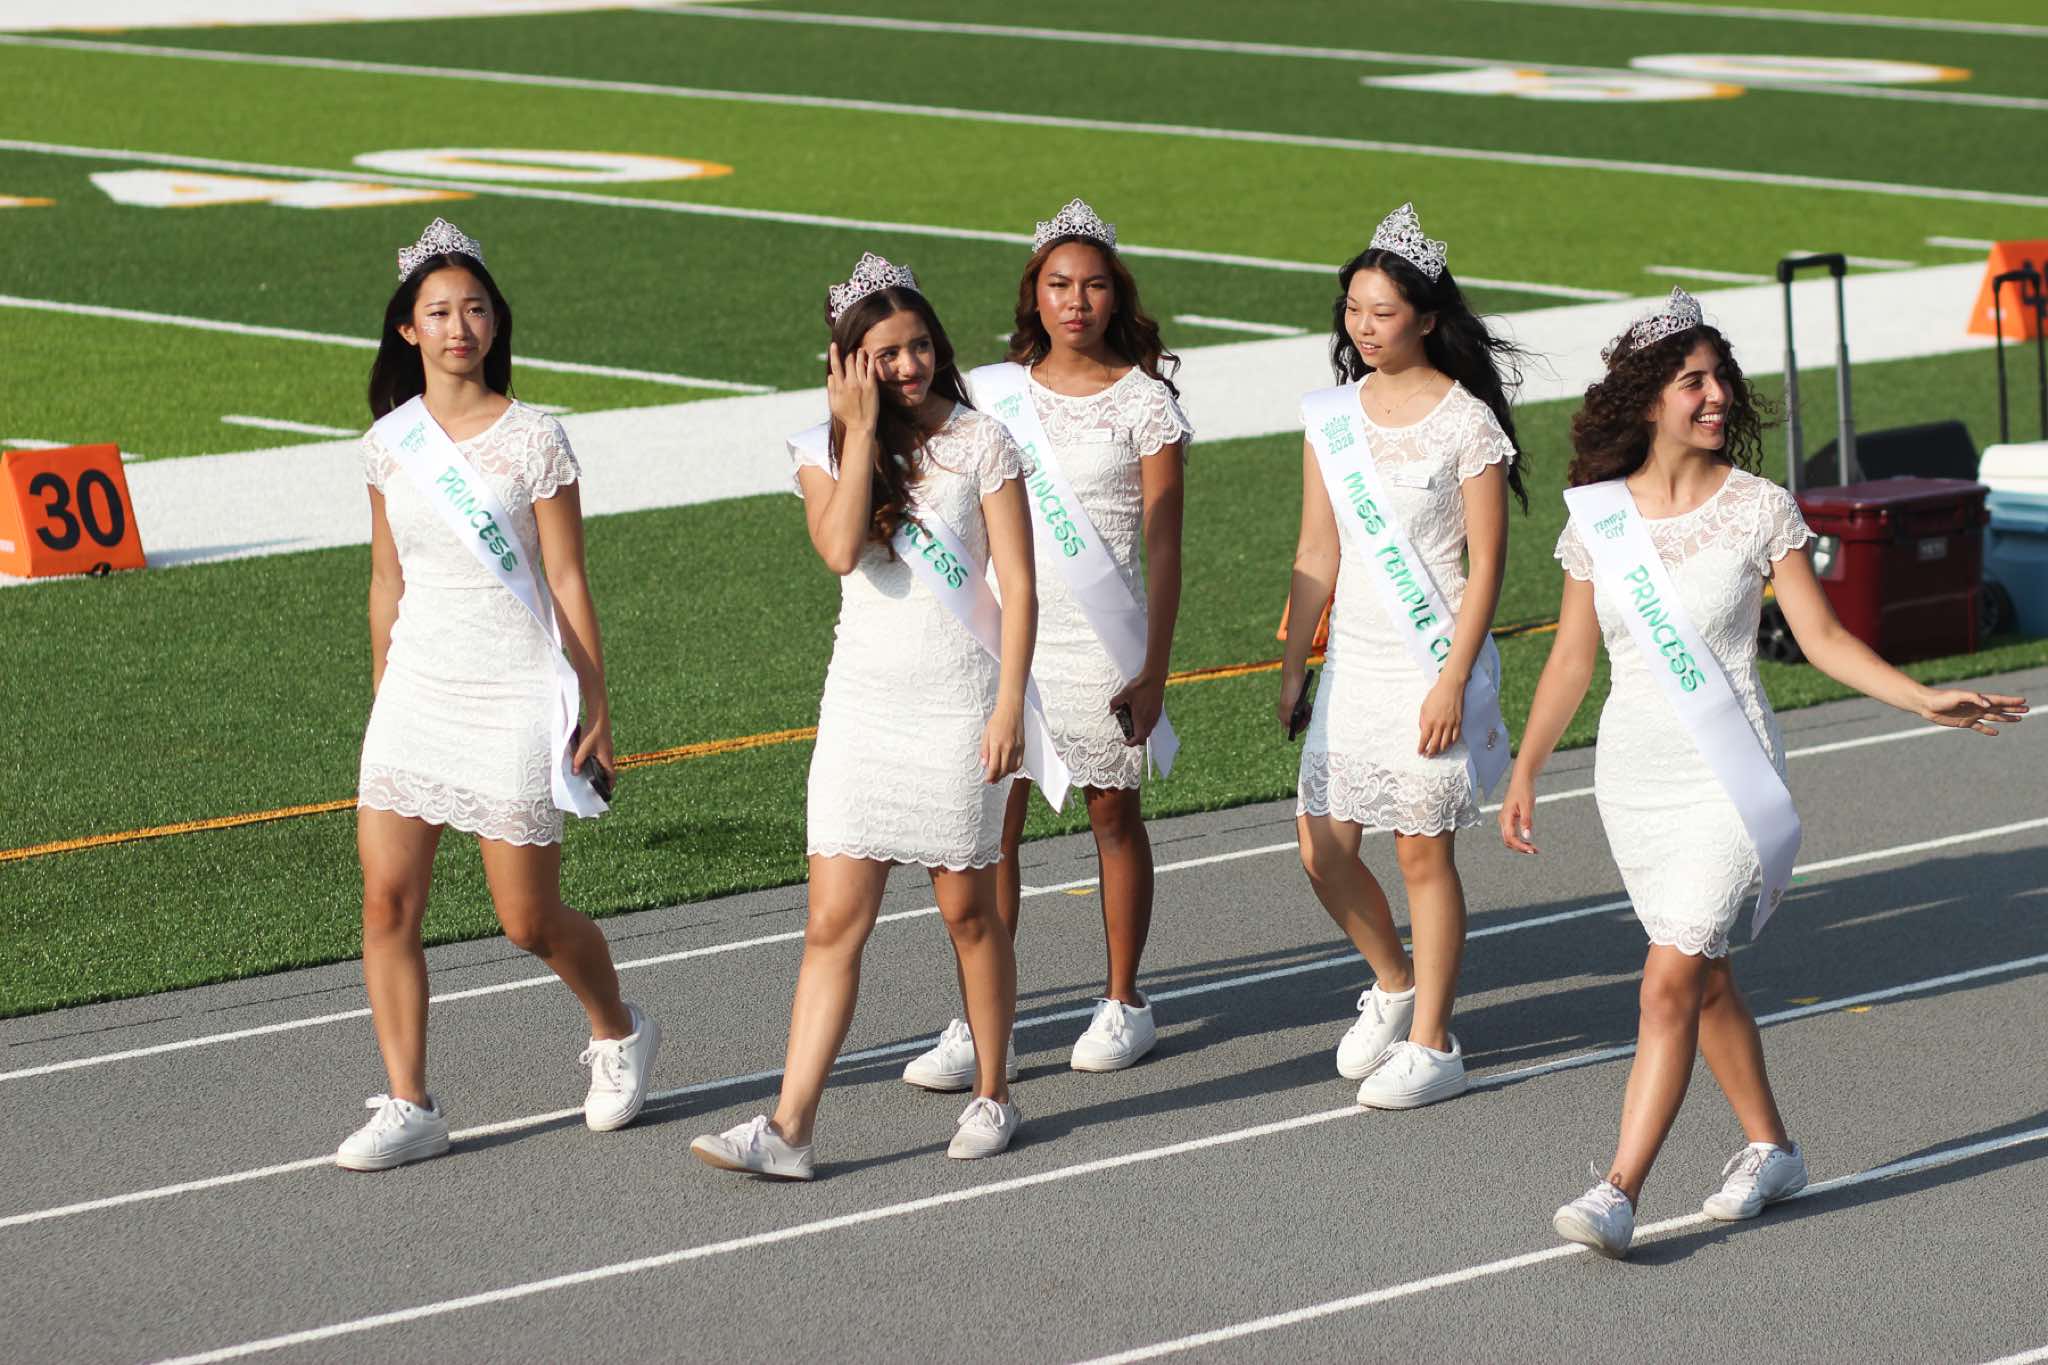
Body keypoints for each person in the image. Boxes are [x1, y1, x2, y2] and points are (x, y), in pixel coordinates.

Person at [1503, 288, 2029, 1257]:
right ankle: (1772, 1149)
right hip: (1634, 779)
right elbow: (1572, 659)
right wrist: (1527, 766)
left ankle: (1618, 1190)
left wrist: (1921, 699)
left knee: (1667, 980)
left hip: (1728, 776)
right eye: (1690, 381)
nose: (1714, 396)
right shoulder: (1598, 522)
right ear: (1647, 398)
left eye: (1719, 378)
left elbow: (1822, 639)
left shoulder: (1758, 508)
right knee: (1704, 981)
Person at [690, 254, 1042, 1179]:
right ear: (848, 362)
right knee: (831, 923)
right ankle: (791, 1128)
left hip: (961, 701)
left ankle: (993, 1093)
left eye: (919, 345)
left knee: (969, 913)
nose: (910, 365)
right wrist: (856, 430)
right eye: (886, 353)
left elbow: (1019, 585)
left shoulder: (982, 441)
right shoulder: (823, 449)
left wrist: (1010, 702)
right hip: (863, 706)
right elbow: (842, 548)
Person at [344, 218, 656, 1172]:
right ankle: (410, 1101)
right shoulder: (390, 443)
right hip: (417, 691)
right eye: (439, 312)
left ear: (495, 321)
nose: (459, 328)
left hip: (516, 689)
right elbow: (386, 579)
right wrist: (383, 692)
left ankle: (618, 1028)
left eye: (474, 309)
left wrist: (595, 704)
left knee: (526, 918)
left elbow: (567, 578)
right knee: (387, 904)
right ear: (408, 329)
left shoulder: (535, 438)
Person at [900, 198, 1191, 1085]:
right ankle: (981, 1017)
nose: (1077, 302)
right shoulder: (991, 394)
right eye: (1060, 284)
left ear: (1117, 295)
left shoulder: (1146, 403)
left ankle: (1124, 999)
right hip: (1006, 636)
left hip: (1103, 641)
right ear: (1036, 293)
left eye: (1094, 286)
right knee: (994, 827)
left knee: (1112, 815)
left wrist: (1154, 668)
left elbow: (1165, 547)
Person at [1277, 203, 1527, 1110]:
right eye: (1353, 309)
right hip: (1355, 662)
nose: (1364, 326)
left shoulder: (1467, 424)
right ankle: (1394, 982)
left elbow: (1487, 563)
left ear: (1426, 316)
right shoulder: (1332, 418)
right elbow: (1317, 548)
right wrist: (1294, 664)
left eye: (1382, 311)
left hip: (1431, 662)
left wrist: (1453, 679)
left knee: (1423, 855)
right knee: (1321, 847)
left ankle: (1433, 1042)